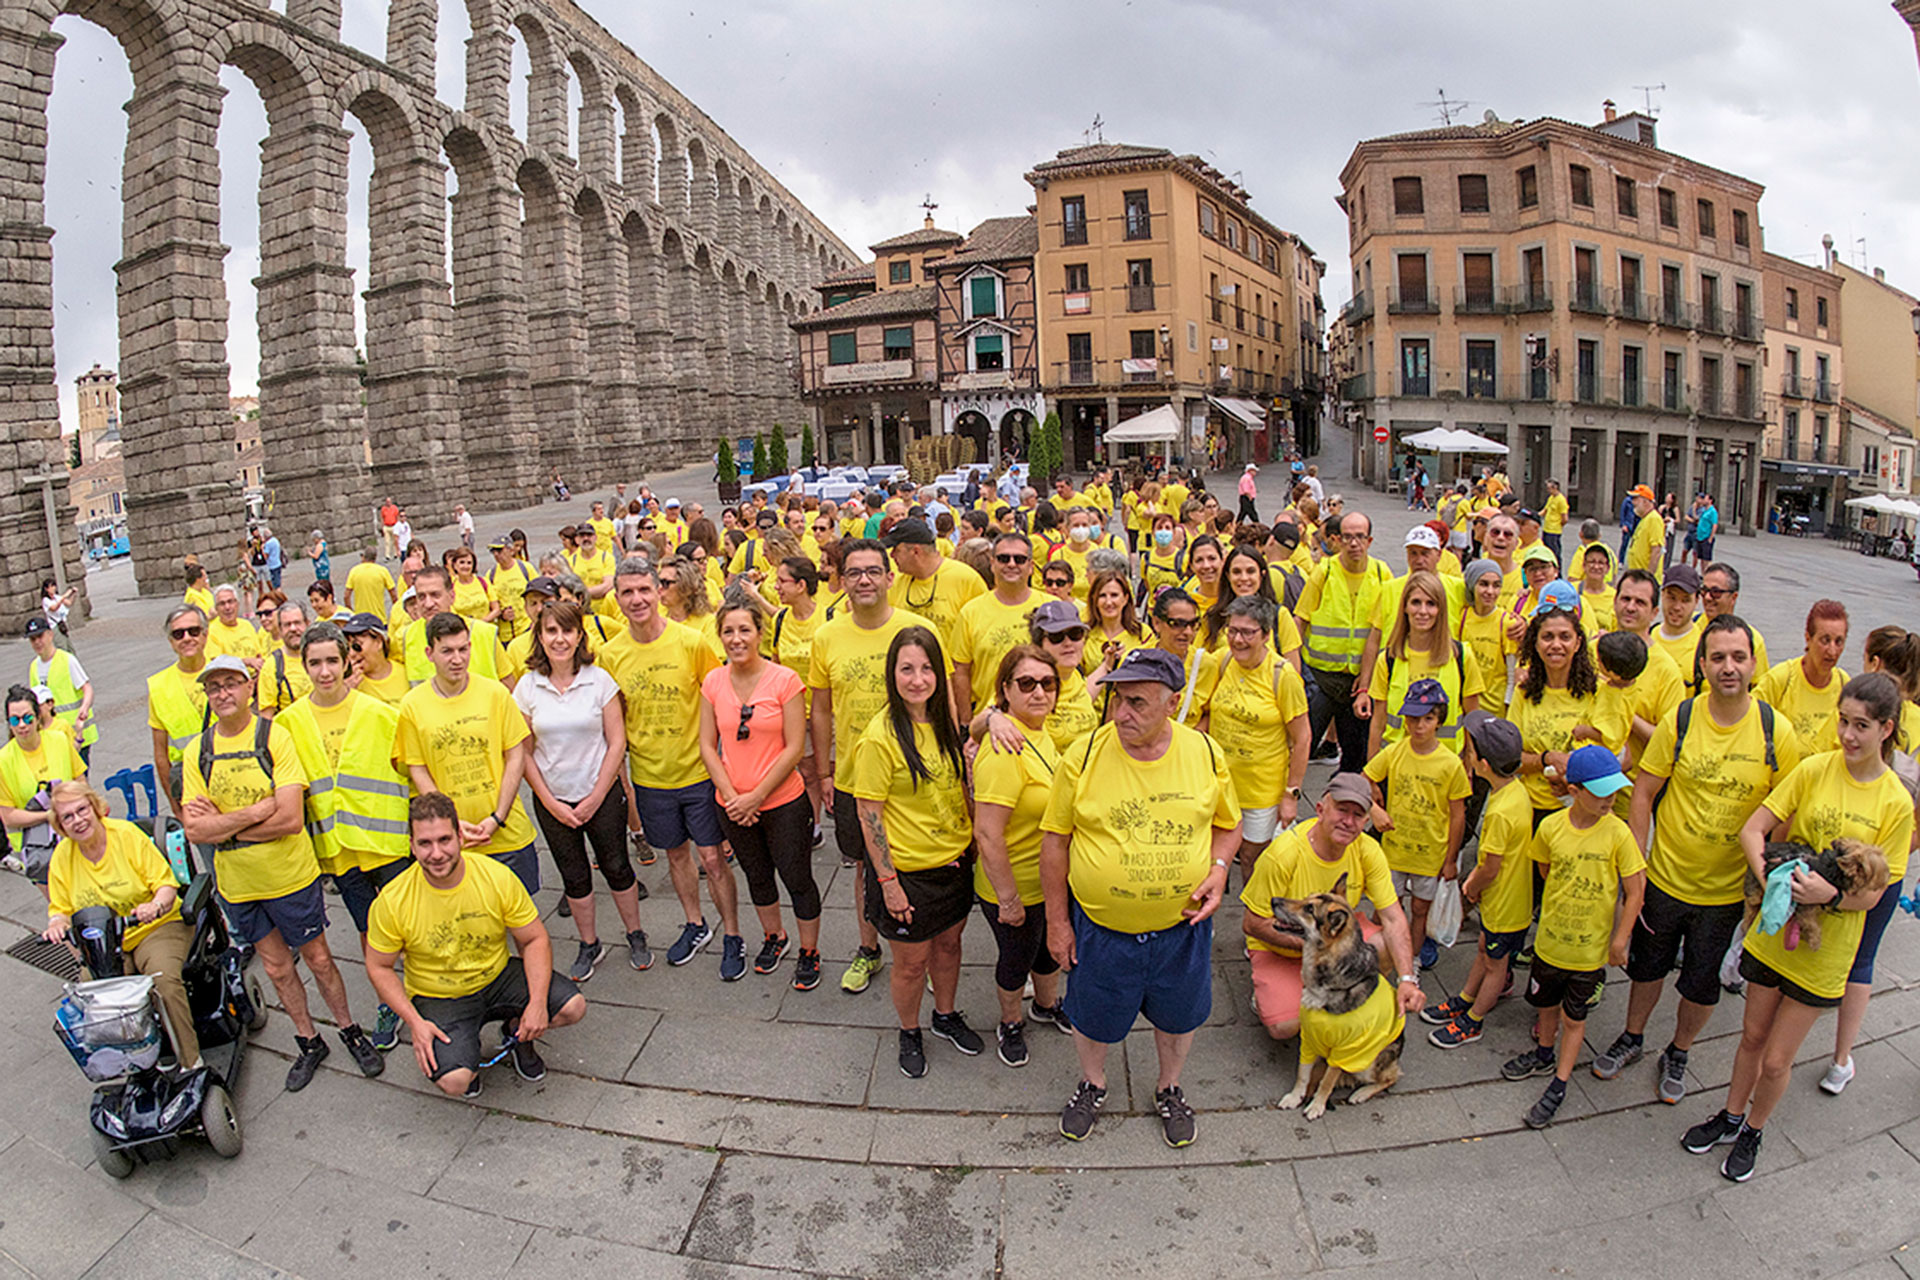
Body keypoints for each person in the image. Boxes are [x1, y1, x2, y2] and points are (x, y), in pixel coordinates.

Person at [1688, 674, 1914, 1179]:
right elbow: (1754, 828)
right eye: (1843, 721)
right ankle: (1729, 1115)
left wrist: (1830, 894)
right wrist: (1773, 875)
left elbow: (1877, 893)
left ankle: (1754, 1129)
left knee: (1776, 1059)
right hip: (1774, 936)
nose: (1848, 736)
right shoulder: (1814, 769)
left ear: (1886, 729)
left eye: (1861, 726)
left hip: (1824, 954)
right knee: (1749, 1038)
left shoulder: (1896, 803)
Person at [1592, 614, 1802, 1102]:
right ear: (1702, 664)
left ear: (1753, 664)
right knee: (1647, 969)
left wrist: (1764, 876)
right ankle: (1633, 1036)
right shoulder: (1681, 720)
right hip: (1666, 878)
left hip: (1725, 893)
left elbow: (1785, 812)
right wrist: (1638, 864)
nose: (1728, 667)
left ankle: (1680, 1049)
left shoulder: (1778, 733)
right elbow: (1643, 791)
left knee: (1701, 985)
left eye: (1738, 657)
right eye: (1718, 658)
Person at [1042, 648, 1241, 1147]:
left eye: (1137, 702)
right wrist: (1057, 922)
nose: (1121, 713)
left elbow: (1228, 825)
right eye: (1116, 700)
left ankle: (1169, 1087)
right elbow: (1055, 842)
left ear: (1173, 702)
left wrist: (1218, 870)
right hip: (1103, 933)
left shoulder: (1204, 752)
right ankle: (1093, 1082)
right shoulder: (1084, 755)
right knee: (1092, 1016)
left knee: (1178, 1018)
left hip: (1182, 930)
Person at [181, 654, 384, 1089]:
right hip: (238, 884)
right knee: (275, 968)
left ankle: (348, 1029)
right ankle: (309, 1040)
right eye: (214, 687)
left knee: (319, 959)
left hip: (290, 875)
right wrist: (255, 811)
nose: (223, 694)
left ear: (249, 687)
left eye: (231, 684)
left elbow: (290, 819)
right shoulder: (197, 751)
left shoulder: (275, 737)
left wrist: (226, 826)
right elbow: (195, 828)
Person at [366, 793, 587, 1098]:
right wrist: (414, 1023)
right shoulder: (392, 901)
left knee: (572, 1008)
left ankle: (516, 1032)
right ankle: (464, 1059)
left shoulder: (495, 876)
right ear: (412, 845)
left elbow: (534, 938)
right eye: (425, 843)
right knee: (455, 1081)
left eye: (444, 840)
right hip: (440, 995)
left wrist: (536, 1005)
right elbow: (379, 966)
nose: (437, 853)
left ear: (460, 836)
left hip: (496, 975)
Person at [274, 622, 414, 1053]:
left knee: (408, 924)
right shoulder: (288, 722)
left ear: (347, 660)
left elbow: (411, 771)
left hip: (387, 843)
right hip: (339, 852)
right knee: (369, 931)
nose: (324, 671)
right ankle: (390, 1001)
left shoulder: (379, 713)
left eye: (332, 661)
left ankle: (427, 993)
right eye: (314, 663)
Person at [600, 558, 743, 979]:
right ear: (618, 598)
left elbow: (721, 699)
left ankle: (732, 934)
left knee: (713, 859)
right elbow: (616, 716)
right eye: (627, 592)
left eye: (645, 589)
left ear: (658, 591)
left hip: (698, 772)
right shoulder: (611, 655)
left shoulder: (691, 642)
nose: (637, 599)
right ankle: (695, 924)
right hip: (650, 776)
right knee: (675, 856)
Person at [809, 540, 935, 994]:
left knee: (925, 863)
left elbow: (939, 698)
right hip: (854, 776)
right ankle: (869, 950)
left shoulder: (918, 628)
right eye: (854, 572)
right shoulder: (827, 636)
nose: (864, 579)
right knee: (865, 864)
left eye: (873, 571)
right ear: (842, 581)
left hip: (917, 771)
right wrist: (824, 771)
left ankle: (926, 954)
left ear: (889, 577)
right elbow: (820, 709)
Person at [852, 627, 978, 1077]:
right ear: (893, 674)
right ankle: (910, 1029)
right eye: (907, 669)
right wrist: (888, 885)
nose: (918, 679)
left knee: (949, 946)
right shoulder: (880, 737)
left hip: (955, 863)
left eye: (927, 669)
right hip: (909, 875)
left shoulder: (942, 722)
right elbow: (869, 813)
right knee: (910, 965)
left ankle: (944, 1015)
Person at [1499, 744, 1645, 1129]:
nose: (1610, 799)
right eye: (1601, 792)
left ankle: (1560, 1082)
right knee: (1545, 1005)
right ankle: (1544, 1053)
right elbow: (1546, 871)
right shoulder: (1549, 828)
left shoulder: (1619, 834)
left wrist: (1620, 940)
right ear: (1574, 790)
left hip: (1588, 954)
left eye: (1614, 790)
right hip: (1549, 945)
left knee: (1574, 1018)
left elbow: (1636, 891)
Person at [514, 600, 651, 981]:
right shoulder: (527, 687)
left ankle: (635, 933)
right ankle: (589, 942)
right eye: (551, 631)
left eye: (567, 631)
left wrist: (595, 796)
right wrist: (549, 801)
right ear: (540, 637)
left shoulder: (599, 680)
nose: (560, 639)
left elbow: (617, 742)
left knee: (617, 866)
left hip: (601, 794)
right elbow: (522, 753)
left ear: (579, 636)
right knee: (574, 875)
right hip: (553, 799)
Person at [1240, 773, 1422, 1045]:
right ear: (1320, 810)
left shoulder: (1368, 851)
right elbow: (1253, 924)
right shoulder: (1283, 854)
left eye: (1358, 815)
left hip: (1333, 940)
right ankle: (1271, 994)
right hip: (1284, 947)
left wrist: (1407, 978)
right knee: (1284, 1027)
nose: (1348, 822)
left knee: (1385, 944)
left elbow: (1394, 919)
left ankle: (1347, 994)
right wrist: (1320, 949)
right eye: (1341, 810)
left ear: (1366, 821)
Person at [698, 591, 820, 989]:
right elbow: (706, 745)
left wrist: (756, 796)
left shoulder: (785, 680)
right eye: (728, 631)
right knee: (757, 874)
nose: (736, 639)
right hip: (732, 803)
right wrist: (733, 796)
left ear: (759, 632)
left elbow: (793, 747)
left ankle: (809, 949)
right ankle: (774, 936)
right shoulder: (713, 681)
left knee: (796, 875)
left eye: (744, 630)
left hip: (782, 800)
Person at [43, 782, 198, 1067]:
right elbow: (60, 910)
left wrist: (155, 905)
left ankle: (191, 1061)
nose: (78, 820)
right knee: (93, 996)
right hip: (107, 941)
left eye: (82, 810)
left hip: (155, 927)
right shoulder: (63, 857)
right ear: (61, 825)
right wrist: (56, 924)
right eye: (68, 817)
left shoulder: (125, 835)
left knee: (162, 982)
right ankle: (129, 1063)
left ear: (95, 808)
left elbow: (165, 885)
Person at [972, 645, 1072, 1067]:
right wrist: (1008, 899)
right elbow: (987, 833)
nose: (1038, 693)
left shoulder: (1038, 733)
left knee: (1047, 953)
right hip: (1011, 885)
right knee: (1015, 961)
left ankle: (1045, 1006)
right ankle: (1010, 1021)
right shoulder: (1004, 748)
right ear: (1005, 691)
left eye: (1047, 683)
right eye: (1026, 684)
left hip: (1046, 881)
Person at [396, 613, 542, 895]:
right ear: (430, 653)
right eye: (447, 651)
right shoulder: (412, 705)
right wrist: (448, 821)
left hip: (507, 832)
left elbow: (516, 756)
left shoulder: (495, 694)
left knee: (522, 917)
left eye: (463, 649)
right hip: (454, 839)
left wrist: (497, 817)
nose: (457, 658)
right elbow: (418, 768)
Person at [1427, 712, 1530, 1046]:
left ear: (1483, 764)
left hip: (1504, 906)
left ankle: (1473, 1020)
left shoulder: (1499, 812)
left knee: (1495, 963)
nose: (1465, 754)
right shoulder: (1517, 791)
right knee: (1486, 952)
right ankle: (1466, 997)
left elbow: (1490, 867)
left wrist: (1470, 887)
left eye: (1469, 750)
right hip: (1507, 904)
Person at [1364, 678, 1470, 973]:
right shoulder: (1395, 752)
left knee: (1420, 911)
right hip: (1395, 850)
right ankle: (1373, 954)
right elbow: (1363, 779)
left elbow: (1458, 815)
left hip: (1429, 854)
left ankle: (1407, 962)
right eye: (1412, 719)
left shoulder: (1450, 764)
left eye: (1428, 719)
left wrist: (1450, 860)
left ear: (1439, 721)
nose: (1419, 726)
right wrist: (1373, 806)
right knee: (1385, 906)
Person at [1201, 597, 1309, 873]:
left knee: (1252, 858)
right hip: (1220, 784)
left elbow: (1302, 738)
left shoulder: (1282, 676)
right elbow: (1203, 711)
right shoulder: (1222, 661)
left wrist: (1290, 794)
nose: (1238, 640)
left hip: (1261, 791)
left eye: (1248, 632)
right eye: (1232, 630)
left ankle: (1256, 914)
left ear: (1266, 635)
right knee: (1215, 853)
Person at [1296, 512, 1393, 774]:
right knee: (1302, 745)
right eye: (1347, 537)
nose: (1353, 543)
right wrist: (1294, 670)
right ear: (1337, 540)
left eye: (1360, 537)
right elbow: (1300, 620)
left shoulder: (1382, 573)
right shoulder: (1324, 571)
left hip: (1359, 681)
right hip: (1321, 678)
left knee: (1355, 755)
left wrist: (1368, 681)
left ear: (1369, 540)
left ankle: (1344, 805)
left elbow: (1387, 628)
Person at [1364, 567, 1481, 758]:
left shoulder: (1461, 656)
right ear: (1405, 607)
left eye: (1431, 604)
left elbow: (1472, 718)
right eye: (1416, 603)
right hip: (1397, 763)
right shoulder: (1388, 659)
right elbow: (1378, 723)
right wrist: (1371, 775)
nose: (1423, 611)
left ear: (1441, 609)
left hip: (1447, 767)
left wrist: (1469, 765)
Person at [1510, 596, 1602, 828]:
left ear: (1578, 643)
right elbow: (1511, 759)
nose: (1556, 645)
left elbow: (1623, 757)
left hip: (1582, 813)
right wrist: (1546, 760)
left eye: (1565, 637)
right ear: (1536, 644)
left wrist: (1574, 777)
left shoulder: (1598, 692)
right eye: (1547, 637)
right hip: (1530, 811)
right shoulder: (1523, 693)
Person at [0, 683, 86, 890]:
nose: (22, 725)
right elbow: (8, 816)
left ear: (38, 717)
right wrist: (47, 816)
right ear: (8, 723)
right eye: (15, 719)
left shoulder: (59, 740)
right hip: (37, 849)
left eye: (28, 717)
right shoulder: (4, 760)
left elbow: (81, 781)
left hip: (74, 832)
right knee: (60, 906)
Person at [951, 531, 1043, 718]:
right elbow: (961, 672)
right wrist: (967, 722)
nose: (1011, 564)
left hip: (1043, 720)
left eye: (1019, 559)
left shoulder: (1048, 608)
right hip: (986, 721)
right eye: (1003, 558)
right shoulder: (971, 612)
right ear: (992, 564)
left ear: (1031, 566)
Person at [1757, 601, 1850, 754]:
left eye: (1839, 642)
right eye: (1825, 640)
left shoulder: (1844, 685)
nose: (1832, 651)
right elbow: (1748, 722)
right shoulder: (1781, 680)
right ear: (1808, 638)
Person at [147, 606, 211, 818]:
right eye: (178, 634)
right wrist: (175, 805)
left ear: (205, 633)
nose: (186, 638)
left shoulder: (226, 673)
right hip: (189, 783)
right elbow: (161, 753)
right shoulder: (159, 686)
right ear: (171, 641)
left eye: (193, 631)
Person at [884, 518, 985, 652]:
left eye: (896, 550)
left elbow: (983, 632)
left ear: (915, 551)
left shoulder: (966, 579)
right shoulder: (896, 584)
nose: (891, 555)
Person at [403, 567, 510, 685]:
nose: (428, 604)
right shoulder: (405, 638)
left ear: (452, 596)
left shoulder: (484, 634)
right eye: (421, 597)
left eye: (435, 595)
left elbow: (509, 686)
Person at [25, 617, 95, 765]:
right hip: (51, 735)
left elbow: (86, 687)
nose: (37, 642)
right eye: (32, 639)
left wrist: (84, 708)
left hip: (75, 731)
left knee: (77, 782)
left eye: (40, 636)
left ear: (50, 635)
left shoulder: (67, 660)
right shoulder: (33, 667)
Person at [1696, 563, 1768, 687]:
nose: (1707, 597)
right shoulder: (1690, 628)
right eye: (1704, 590)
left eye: (1716, 592)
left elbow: (1759, 689)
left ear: (1733, 597)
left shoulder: (1752, 639)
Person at [255, 602, 313, 717]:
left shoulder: (321, 655)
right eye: (287, 625)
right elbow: (266, 717)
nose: (293, 628)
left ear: (307, 624)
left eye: (297, 623)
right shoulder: (272, 667)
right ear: (280, 630)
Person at [1624, 484, 1663, 573]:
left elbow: (1656, 550)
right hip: (1637, 575)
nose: (1632, 502)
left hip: (1644, 578)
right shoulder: (1645, 518)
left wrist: (1649, 577)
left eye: (1635, 499)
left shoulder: (1654, 519)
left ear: (1645, 501)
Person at [40, 578, 77, 652]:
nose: (53, 588)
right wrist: (64, 596)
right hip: (54, 626)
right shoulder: (46, 600)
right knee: (62, 647)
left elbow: (69, 603)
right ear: (46, 589)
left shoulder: (57, 597)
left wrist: (73, 594)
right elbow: (54, 608)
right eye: (51, 586)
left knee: (70, 648)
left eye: (54, 586)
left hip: (61, 624)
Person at [1541, 480, 1569, 559]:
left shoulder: (1561, 500)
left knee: (1554, 552)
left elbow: (1565, 518)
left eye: (1549, 488)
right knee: (1546, 551)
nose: (1548, 490)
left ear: (1555, 488)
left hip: (1554, 530)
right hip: (1547, 528)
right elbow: (1545, 510)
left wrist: (1558, 525)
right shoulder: (1551, 498)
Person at [1691, 493, 1719, 570]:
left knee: (1707, 559)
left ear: (1710, 500)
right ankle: (1703, 574)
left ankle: (1708, 573)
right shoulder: (1704, 510)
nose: (1703, 500)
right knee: (1702, 558)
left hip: (1706, 537)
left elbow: (1714, 524)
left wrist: (1711, 537)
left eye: (1705, 499)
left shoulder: (1713, 511)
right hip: (1700, 537)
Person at [260, 526, 284, 591]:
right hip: (278, 563)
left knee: (275, 585)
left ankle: (277, 597)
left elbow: (265, 556)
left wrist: (262, 549)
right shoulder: (275, 540)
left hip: (272, 565)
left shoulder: (268, 544)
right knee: (278, 582)